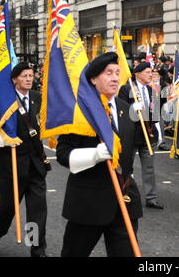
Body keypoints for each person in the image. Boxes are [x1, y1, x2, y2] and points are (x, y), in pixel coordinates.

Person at [56, 52, 143, 257]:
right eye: (108, 73)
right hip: (89, 202)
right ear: (93, 79)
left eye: (117, 73)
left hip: (124, 198)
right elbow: (62, 153)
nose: (115, 78)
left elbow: (131, 149)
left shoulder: (124, 108)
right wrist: (94, 155)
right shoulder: (80, 111)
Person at [0, 63, 48, 257]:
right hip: (10, 166)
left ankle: (36, 248)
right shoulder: (4, 100)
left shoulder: (37, 97)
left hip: (36, 165)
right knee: (7, 208)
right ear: (14, 79)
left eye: (31, 75)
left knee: (37, 212)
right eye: (24, 76)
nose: (29, 79)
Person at [119, 62, 164, 210]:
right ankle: (124, 193)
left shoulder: (152, 91)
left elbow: (156, 114)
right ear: (137, 74)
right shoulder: (126, 89)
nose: (150, 74)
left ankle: (151, 197)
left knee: (149, 167)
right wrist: (132, 108)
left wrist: (158, 132)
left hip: (148, 134)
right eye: (147, 72)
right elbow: (121, 111)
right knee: (127, 166)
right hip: (131, 134)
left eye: (151, 72)